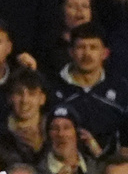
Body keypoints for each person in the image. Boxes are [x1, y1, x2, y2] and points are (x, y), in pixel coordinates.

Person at [51, 22, 128, 157]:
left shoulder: (122, 89)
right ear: (71, 52)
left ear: (105, 53)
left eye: (93, 47)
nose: (87, 53)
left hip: (111, 170)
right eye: (81, 47)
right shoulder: (53, 87)